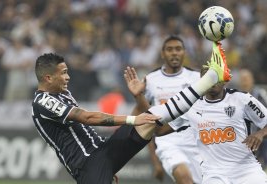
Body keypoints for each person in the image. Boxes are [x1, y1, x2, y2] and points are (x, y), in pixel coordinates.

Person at [31, 41, 230, 184]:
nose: (68, 76)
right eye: (63, 73)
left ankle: (210, 78)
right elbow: (87, 117)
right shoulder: (43, 101)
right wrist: (132, 119)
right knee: (145, 121)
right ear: (48, 78)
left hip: (103, 152)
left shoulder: (62, 93)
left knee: (152, 120)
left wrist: (138, 100)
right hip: (87, 164)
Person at [126, 65, 267, 184]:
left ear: (224, 79)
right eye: (207, 78)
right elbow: (159, 130)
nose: (212, 81)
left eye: (215, 76)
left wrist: (260, 134)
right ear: (201, 82)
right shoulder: (191, 107)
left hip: (246, 170)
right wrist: (140, 97)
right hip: (214, 175)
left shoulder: (242, 99)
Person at [130, 35, 202, 184]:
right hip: (168, 142)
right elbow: (143, 117)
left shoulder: (197, 79)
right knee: (185, 179)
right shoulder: (150, 80)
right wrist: (155, 162)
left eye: (178, 49)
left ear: (184, 52)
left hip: (197, 142)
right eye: (169, 49)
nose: (174, 53)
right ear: (162, 54)